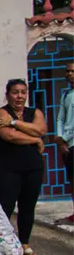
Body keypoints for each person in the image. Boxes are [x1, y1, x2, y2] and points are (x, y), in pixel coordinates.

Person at [0, 79, 46, 255]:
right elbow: (9, 136)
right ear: (7, 94)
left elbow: (41, 130)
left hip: (33, 167)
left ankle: (24, 244)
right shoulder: (1, 113)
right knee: (5, 207)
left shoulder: (34, 112)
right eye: (15, 92)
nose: (20, 96)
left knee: (28, 207)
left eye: (23, 92)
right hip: (8, 168)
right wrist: (35, 139)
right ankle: (2, 245)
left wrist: (14, 122)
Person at [55, 62, 74, 222]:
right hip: (68, 145)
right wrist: (59, 137)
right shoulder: (67, 94)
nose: (69, 74)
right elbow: (61, 118)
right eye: (67, 71)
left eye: (72, 71)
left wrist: (64, 138)